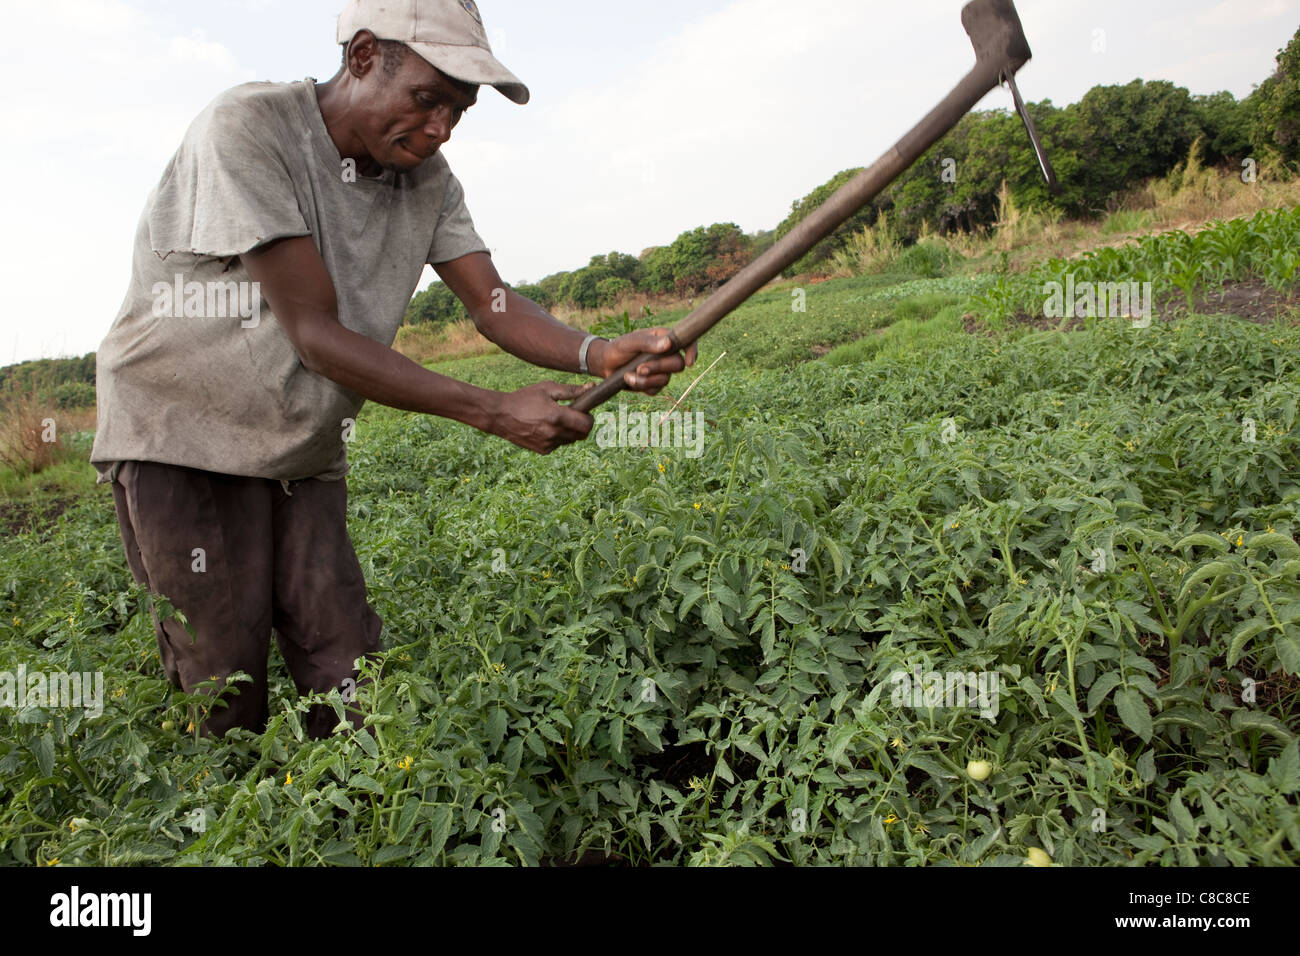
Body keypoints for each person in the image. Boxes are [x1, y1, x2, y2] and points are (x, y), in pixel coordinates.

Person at [89, 0, 697, 739]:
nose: (442, 128)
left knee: (346, 662)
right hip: (181, 433)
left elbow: (492, 303)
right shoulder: (248, 129)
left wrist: (602, 353)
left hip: (300, 442)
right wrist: (493, 410)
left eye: (458, 110)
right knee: (221, 680)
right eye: (428, 98)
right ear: (365, 55)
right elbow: (314, 332)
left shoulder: (428, 178)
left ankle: (358, 827)